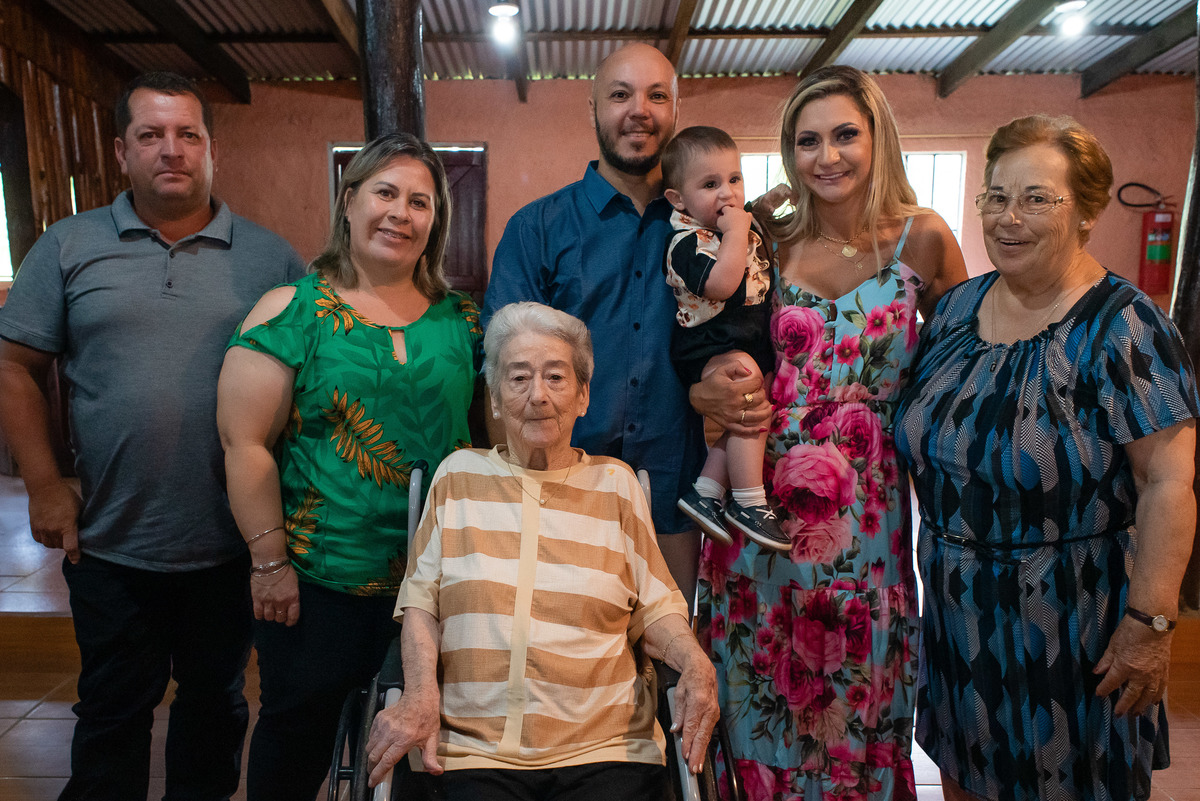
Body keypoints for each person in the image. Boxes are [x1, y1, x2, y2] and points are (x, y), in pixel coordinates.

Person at [0, 72, 306, 800]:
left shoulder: (271, 259)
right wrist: (45, 484)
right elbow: (15, 367)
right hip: (109, 540)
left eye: (188, 134)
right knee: (113, 713)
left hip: (229, 546)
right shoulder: (68, 246)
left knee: (216, 707)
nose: (172, 150)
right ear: (120, 151)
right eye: (151, 135)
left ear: (212, 150)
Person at [896, 114, 1199, 801]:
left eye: (1037, 198)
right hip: (958, 621)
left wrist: (1150, 624)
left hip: (1073, 628)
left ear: (1088, 210)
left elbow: (1169, 479)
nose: (1009, 217)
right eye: (996, 196)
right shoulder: (955, 311)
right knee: (967, 783)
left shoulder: (1123, 326)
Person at [698, 65, 967, 800]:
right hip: (760, 510)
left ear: (878, 137)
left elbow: (961, 372)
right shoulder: (767, 242)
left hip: (869, 514)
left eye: (846, 134)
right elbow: (708, 341)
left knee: (859, 689)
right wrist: (710, 392)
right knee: (762, 689)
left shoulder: (926, 240)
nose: (828, 156)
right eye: (807, 141)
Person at [217, 132, 482, 801]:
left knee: (423, 752)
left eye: (419, 201)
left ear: (435, 222)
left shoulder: (465, 323)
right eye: (385, 192)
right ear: (350, 200)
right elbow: (244, 443)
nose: (401, 212)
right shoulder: (291, 311)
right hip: (316, 582)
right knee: (295, 738)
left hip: (434, 588)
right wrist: (269, 562)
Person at [363, 301, 719, 800]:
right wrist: (421, 695)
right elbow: (422, 603)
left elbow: (657, 609)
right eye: (518, 379)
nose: (538, 397)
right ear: (493, 398)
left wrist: (696, 662)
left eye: (556, 377)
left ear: (583, 395)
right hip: (474, 751)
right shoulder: (459, 476)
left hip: (607, 748)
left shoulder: (614, 484)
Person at [484, 43, 771, 604]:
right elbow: (500, 374)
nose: (639, 109)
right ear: (593, 107)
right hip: (562, 491)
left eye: (656, 95)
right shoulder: (537, 228)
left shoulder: (716, 231)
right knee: (568, 668)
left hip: (676, 496)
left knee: (670, 664)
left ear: (675, 111)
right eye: (620, 94)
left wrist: (713, 389)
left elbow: (745, 328)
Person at [660, 125, 787, 551]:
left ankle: (708, 489)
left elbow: (746, 217)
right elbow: (721, 284)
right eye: (710, 184)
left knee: (753, 402)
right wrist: (737, 233)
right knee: (744, 379)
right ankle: (750, 501)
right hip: (706, 344)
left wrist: (760, 210)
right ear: (679, 200)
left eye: (734, 179)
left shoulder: (727, 220)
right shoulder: (685, 241)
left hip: (745, 336)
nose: (727, 194)